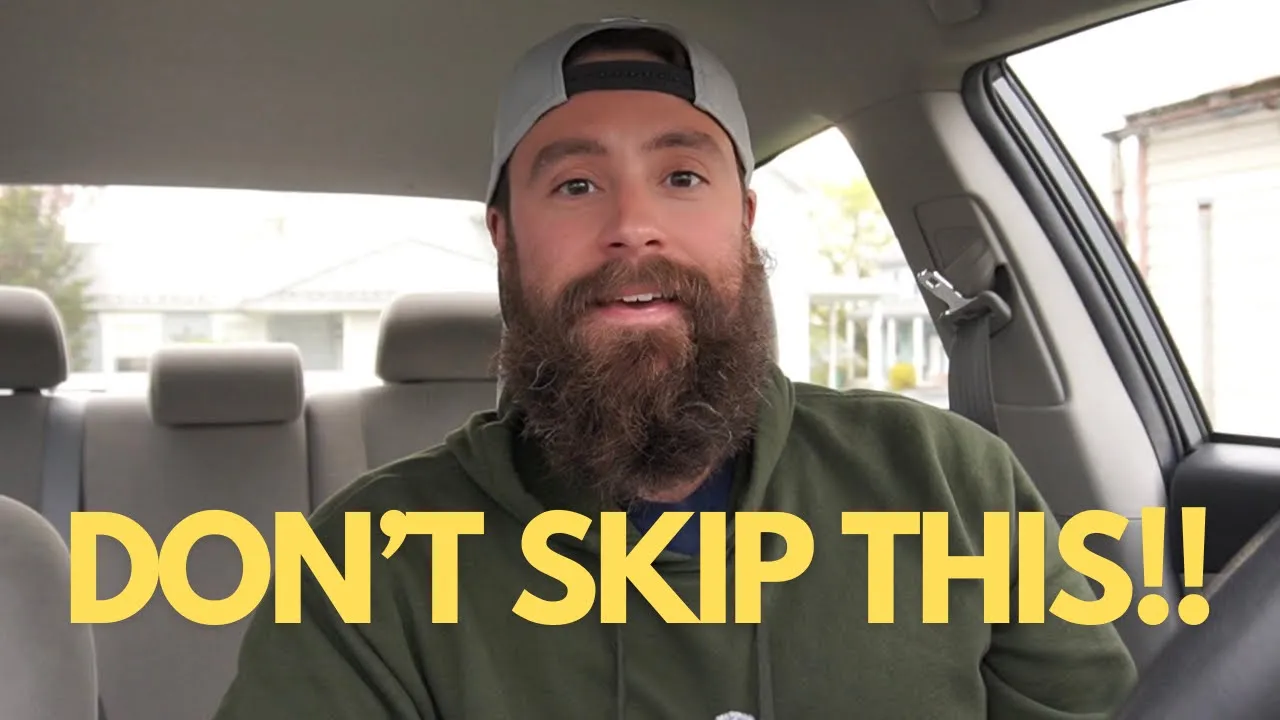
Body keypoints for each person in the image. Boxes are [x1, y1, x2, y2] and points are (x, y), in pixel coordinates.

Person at [213, 17, 1137, 719]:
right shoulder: (371, 558)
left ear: (744, 219)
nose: (632, 226)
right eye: (575, 185)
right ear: (505, 238)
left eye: (683, 178)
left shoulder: (950, 481)